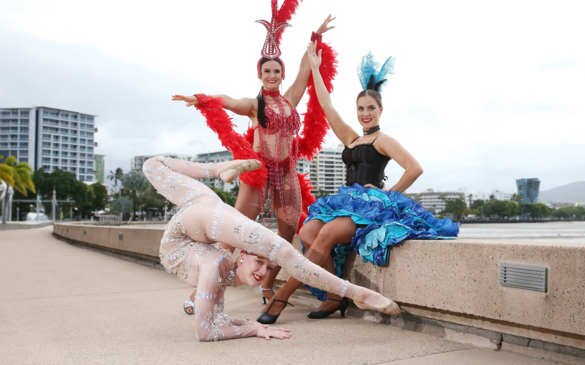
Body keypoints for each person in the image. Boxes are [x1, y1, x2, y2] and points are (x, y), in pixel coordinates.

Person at [257, 43, 459, 324]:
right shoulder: (352, 138)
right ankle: (333, 296)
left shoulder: (383, 140)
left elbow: (415, 168)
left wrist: (387, 195)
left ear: (380, 110)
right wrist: (315, 68)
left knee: (325, 236)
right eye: (361, 108)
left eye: (371, 108)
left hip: (368, 206)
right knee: (306, 233)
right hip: (344, 202)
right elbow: (327, 106)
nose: (365, 113)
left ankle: (281, 299)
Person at [172, 4, 337, 309]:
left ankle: (267, 285)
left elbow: (305, 70)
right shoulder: (253, 105)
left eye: (276, 71)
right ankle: (200, 292)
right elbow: (228, 101)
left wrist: (316, 36)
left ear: (281, 73)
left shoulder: (290, 100)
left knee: (286, 236)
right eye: (266, 71)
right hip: (259, 173)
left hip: (287, 175)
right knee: (231, 231)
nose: (272, 75)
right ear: (259, 74)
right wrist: (201, 99)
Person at [142, 156, 399, 341]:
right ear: (241, 254)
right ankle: (357, 293)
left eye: (268, 268)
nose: (263, 272)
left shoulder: (217, 260)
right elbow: (206, 331)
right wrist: (253, 328)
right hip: (198, 223)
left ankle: (218, 168)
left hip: (202, 211)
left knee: (152, 165)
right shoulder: (214, 263)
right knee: (282, 251)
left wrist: (247, 324)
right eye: (259, 263)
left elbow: (216, 321)